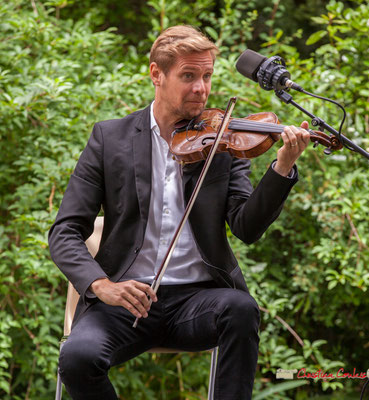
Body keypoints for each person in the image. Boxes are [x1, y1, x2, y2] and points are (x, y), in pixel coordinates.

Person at [48, 25, 310, 400]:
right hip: (127, 299)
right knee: (77, 357)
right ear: (157, 73)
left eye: (206, 76)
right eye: (188, 76)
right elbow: (65, 231)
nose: (201, 88)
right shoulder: (110, 139)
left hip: (197, 302)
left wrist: (282, 166)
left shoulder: (222, 140)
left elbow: (246, 227)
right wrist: (102, 285)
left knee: (241, 309)